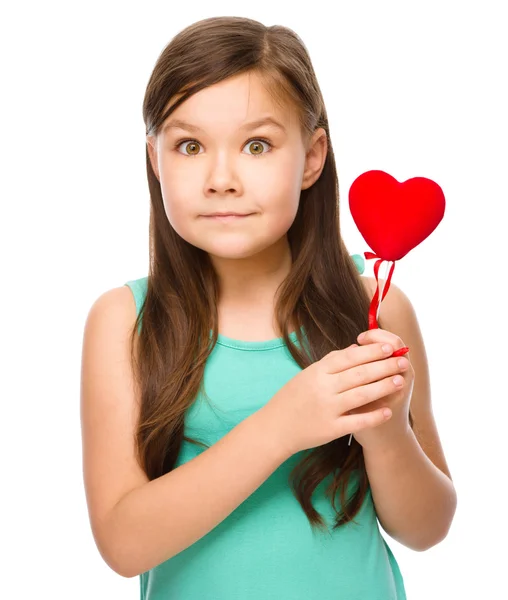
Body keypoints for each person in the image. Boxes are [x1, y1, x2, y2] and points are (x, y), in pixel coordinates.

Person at [80, 16, 457, 599]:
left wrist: (387, 435)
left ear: (312, 157)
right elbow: (123, 546)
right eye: (189, 145)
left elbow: (427, 528)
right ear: (155, 160)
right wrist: (282, 427)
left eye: (257, 145)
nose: (222, 178)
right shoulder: (124, 321)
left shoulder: (373, 311)